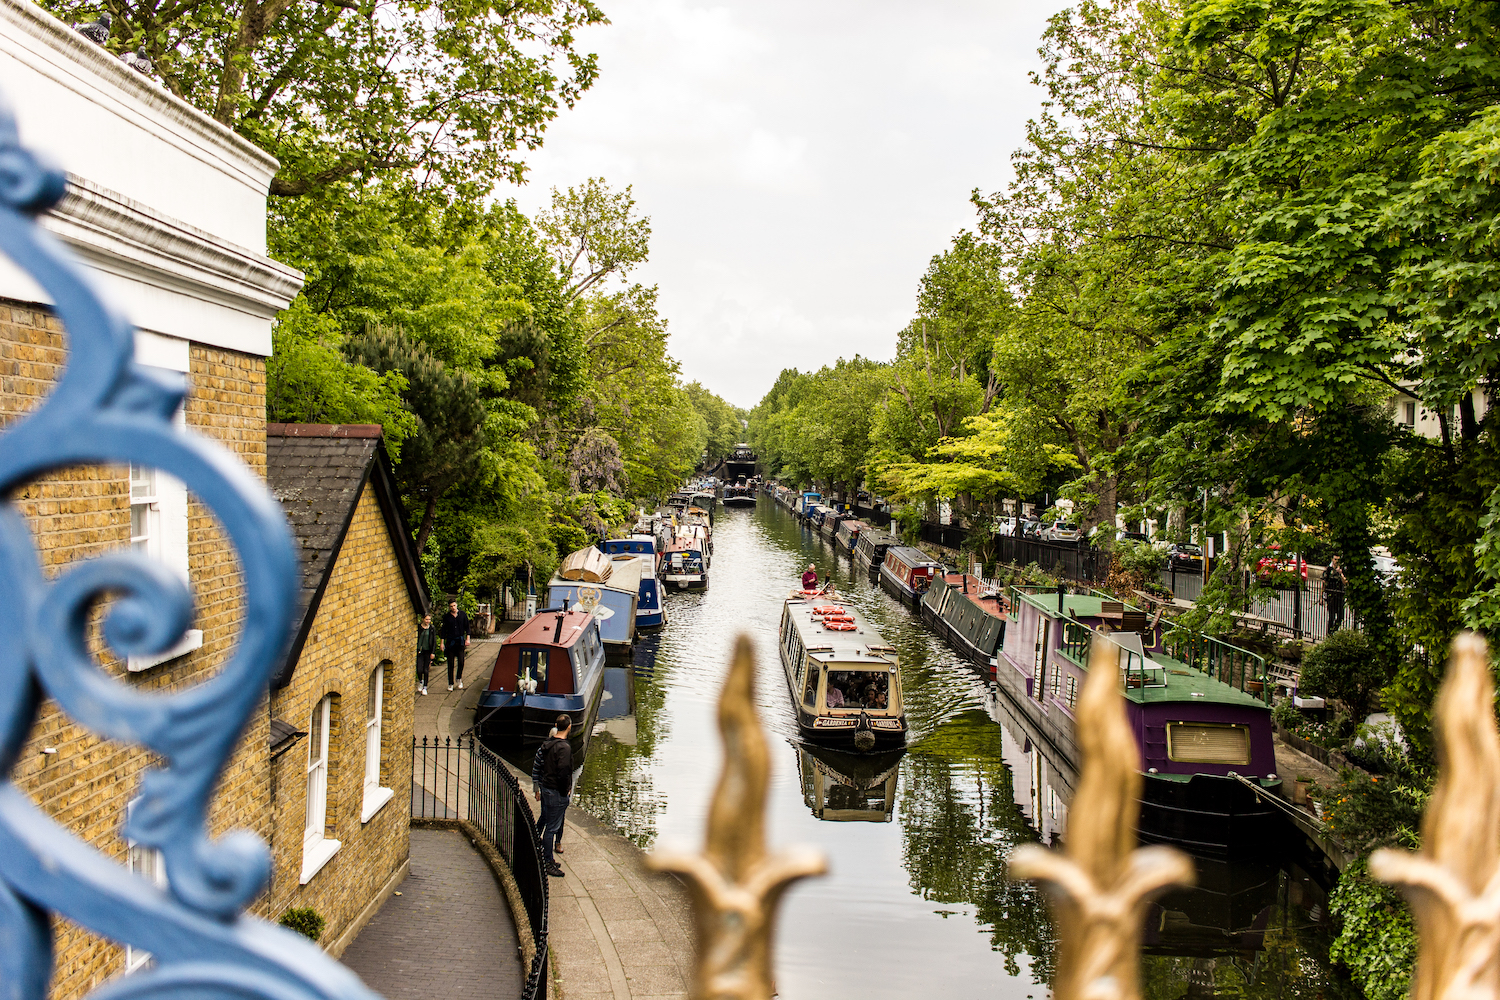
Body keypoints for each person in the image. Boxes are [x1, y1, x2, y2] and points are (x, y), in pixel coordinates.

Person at [534, 714, 573, 876]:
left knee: (549, 824)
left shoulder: (547, 744)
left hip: (547, 788)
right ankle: (548, 861)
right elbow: (563, 772)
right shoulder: (564, 747)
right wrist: (566, 791)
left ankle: (548, 858)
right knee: (551, 829)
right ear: (569, 727)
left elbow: (539, 767)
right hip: (557, 791)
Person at [440, 598, 470, 691]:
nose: (453, 607)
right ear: (449, 607)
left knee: (461, 661)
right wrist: (442, 643)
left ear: (456, 605)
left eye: (454, 605)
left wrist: (468, 639)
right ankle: (450, 683)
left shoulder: (463, 615)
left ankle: (459, 678)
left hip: (460, 642)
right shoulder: (447, 617)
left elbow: (467, 627)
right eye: (451, 606)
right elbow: (443, 630)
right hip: (450, 642)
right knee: (450, 664)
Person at [415, 612, 436, 696]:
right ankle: (420, 681)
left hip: (428, 651)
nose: (428, 621)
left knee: (426, 670)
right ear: (423, 619)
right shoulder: (419, 628)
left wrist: (433, 652)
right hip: (420, 651)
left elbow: (434, 641)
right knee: (419, 669)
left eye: (429, 619)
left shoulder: (431, 628)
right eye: (426, 619)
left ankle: (425, 687)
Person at [1324, 556, 1347, 631]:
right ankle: (1329, 633)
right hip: (1331, 595)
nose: (1336, 561)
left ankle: (1334, 631)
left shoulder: (1342, 570)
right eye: (1335, 559)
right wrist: (1321, 596)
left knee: (1341, 617)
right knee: (1331, 616)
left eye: (1338, 560)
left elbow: (1345, 582)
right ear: (1332, 559)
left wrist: (1340, 574)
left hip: (1340, 595)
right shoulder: (1329, 569)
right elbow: (1324, 582)